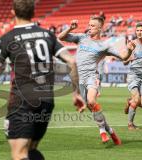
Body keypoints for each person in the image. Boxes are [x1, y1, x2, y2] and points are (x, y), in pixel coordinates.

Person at [0, 0, 84, 159]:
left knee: (19, 154)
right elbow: (72, 61)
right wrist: (76, 93)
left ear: (13, 12)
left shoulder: (7, 38)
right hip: (46, 101)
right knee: (31, 150)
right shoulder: (48, 35)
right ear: (34, 12)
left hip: (22, 102)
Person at [58, 16, 136, 145]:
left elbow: (123, 57)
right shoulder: (81, 38)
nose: (89, 27)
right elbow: (61, 37)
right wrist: (70, 29)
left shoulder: (104, 45)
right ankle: (111, 132)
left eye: (92, 26)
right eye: (89, 25)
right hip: (80, 79)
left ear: (100, 28)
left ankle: (102, 132)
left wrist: (129, 49)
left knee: (92, 100)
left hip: (92, 77)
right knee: (92, 108)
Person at [123, 22, 142, 130]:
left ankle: (130, 102)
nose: (139, 32)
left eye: (141, 30)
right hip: (134, 75)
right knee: (136, 99)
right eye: (138, 30)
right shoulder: (132, 44)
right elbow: (124, 62)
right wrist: (129, 54)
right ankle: (130, 124)